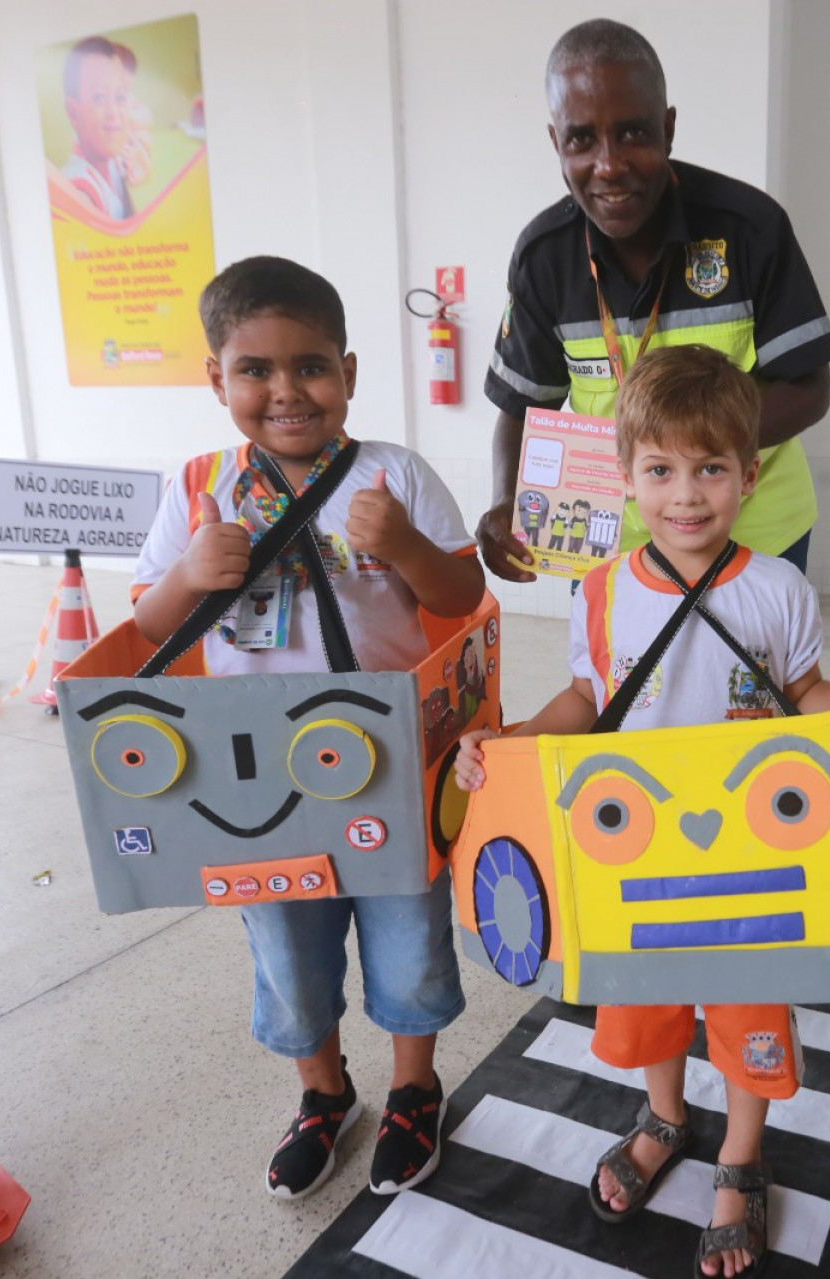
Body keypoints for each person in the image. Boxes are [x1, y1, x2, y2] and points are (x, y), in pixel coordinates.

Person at [454, 346, 830, 1277]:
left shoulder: (778, 588)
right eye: (661, 470)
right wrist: (513, 740)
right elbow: (586, 699)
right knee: (646, 1004)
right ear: (626, 477)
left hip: (750, 862)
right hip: (634, 862)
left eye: (710, 468)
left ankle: (741, 1157)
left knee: (749, 1010)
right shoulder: (601, 592)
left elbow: (806, 694)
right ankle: (664, 1116)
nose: (687, 494)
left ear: (750, 473)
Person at [132, 256, 486, 1202]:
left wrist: (403, 544)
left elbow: (463, 593)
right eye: (256, 369)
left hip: (387, 761)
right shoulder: (200, 485)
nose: (287, 391)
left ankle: (414, 1088)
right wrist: (190, 573)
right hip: (254, 776)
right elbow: (151, 624)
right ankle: (323, 1093)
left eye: (312, 366)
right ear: (217, 379)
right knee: (287, 945)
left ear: (349, 372)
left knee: (408, 937)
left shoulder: (393, 473)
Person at [478, 19, 830, 581]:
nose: (609, 165)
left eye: (633, 133)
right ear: (556, 142)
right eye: (581, 139)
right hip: (613, 550)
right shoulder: (543, 257)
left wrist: (685, 453)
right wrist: (506, 499)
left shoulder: (750, 228)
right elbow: (522, 407)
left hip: (757, 537)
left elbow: (810, 388)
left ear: (668, 129)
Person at [60, 35, 150, 221]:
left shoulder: (112, 160)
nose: (114, 112)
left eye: (120, 97)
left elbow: (134, 169)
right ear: (73, 113)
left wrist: (141, 167)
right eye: (99, 97)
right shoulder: (79, 193)